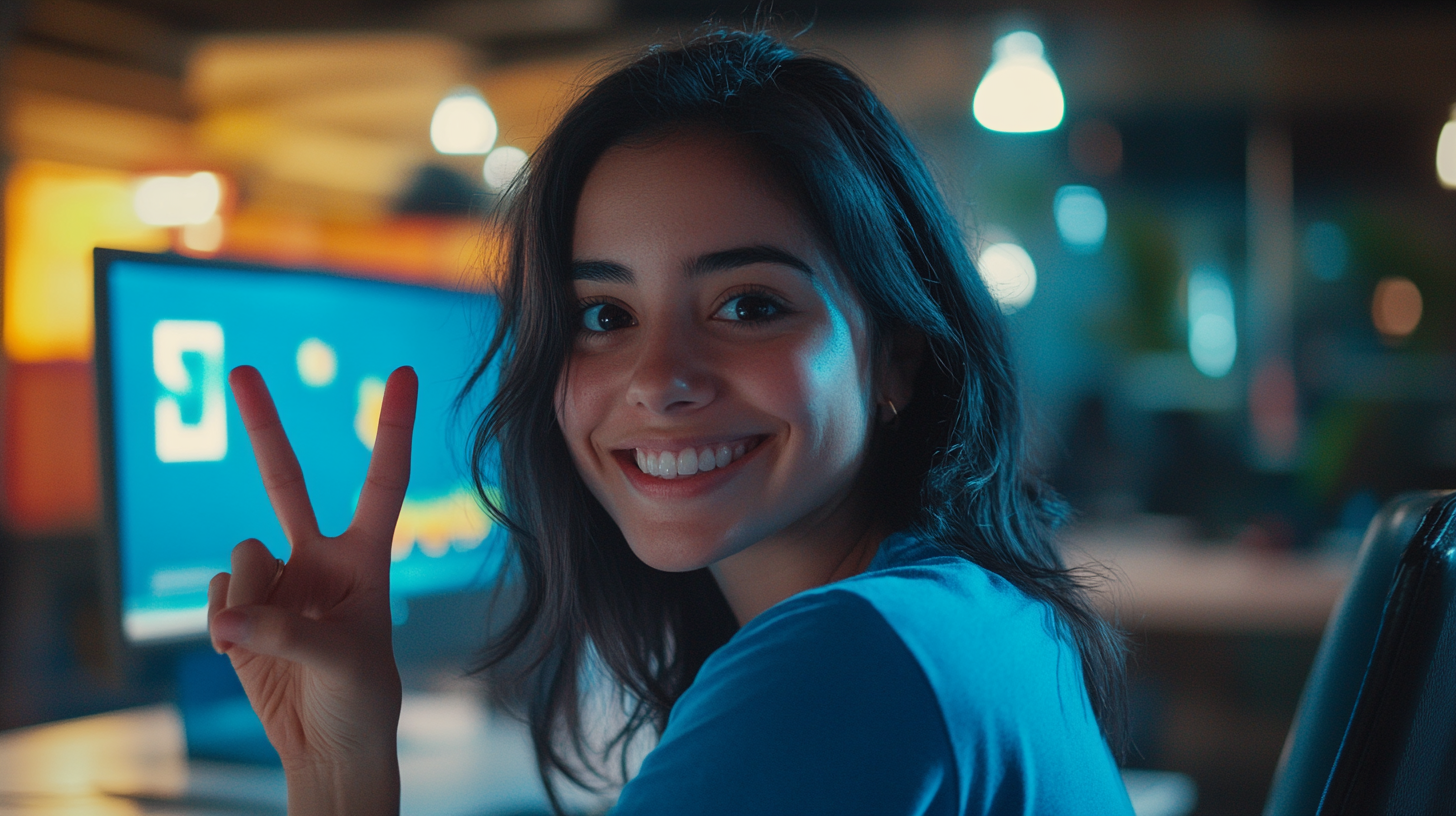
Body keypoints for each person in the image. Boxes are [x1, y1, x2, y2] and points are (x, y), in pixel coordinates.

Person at [208, 28, 1134, 815]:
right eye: (605, 317)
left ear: (894, 351)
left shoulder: (839, 664)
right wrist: (337, 764)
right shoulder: (978, 606)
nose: (658, 381)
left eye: (748, 305)